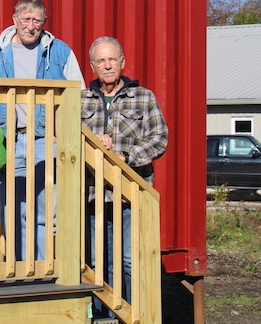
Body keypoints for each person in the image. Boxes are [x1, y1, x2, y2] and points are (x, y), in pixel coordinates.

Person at [0, 0, 84, 261]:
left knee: (46, 213)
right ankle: (24, 272)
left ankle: (43, 273)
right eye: (25, 19)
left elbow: (78, 95)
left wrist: (64, 128)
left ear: (44, 23)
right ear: (15, 20)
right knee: (11, 211)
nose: (31, 26)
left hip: (47, 142)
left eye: (37, 20)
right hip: (8, 141)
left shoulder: (60, 52)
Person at [81, 36, 168, 315]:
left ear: (123, 63)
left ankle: (133, 316)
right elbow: (65, 138)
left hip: (130, 193)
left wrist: (128, 157)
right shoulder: (81, 99)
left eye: (112, 60)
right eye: (101, 61)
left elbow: (159, 138)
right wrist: (91, 141)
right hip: (93, 193)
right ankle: (101, 316)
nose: (107, 66)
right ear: (92, 66)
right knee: (96, 262)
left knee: (130, 261)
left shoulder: (143, 97)